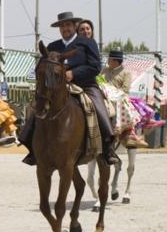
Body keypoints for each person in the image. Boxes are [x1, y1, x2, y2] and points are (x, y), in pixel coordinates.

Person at [18, 11, 120, 165]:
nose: (65, 28)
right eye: (62, 26)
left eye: (67, 25)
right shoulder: (53, 46)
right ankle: (32, 148)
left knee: (100, 109)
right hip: (57, 88)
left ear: (74, 26)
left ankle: (108, 148)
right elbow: (42, 67)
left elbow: (95, 66)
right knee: (38, 108)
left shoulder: (86, 43)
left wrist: (73, 73)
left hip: (86, 85)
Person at [100, 50, 148, 147]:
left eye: (109, 59)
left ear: (115, 61)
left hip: (118, 98)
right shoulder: (104, 70)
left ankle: (128, 133)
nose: (108, 61)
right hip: (103, 96)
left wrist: (112, 92)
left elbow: (125, 89)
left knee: (125, 107)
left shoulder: (126, 73)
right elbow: (99, 80)